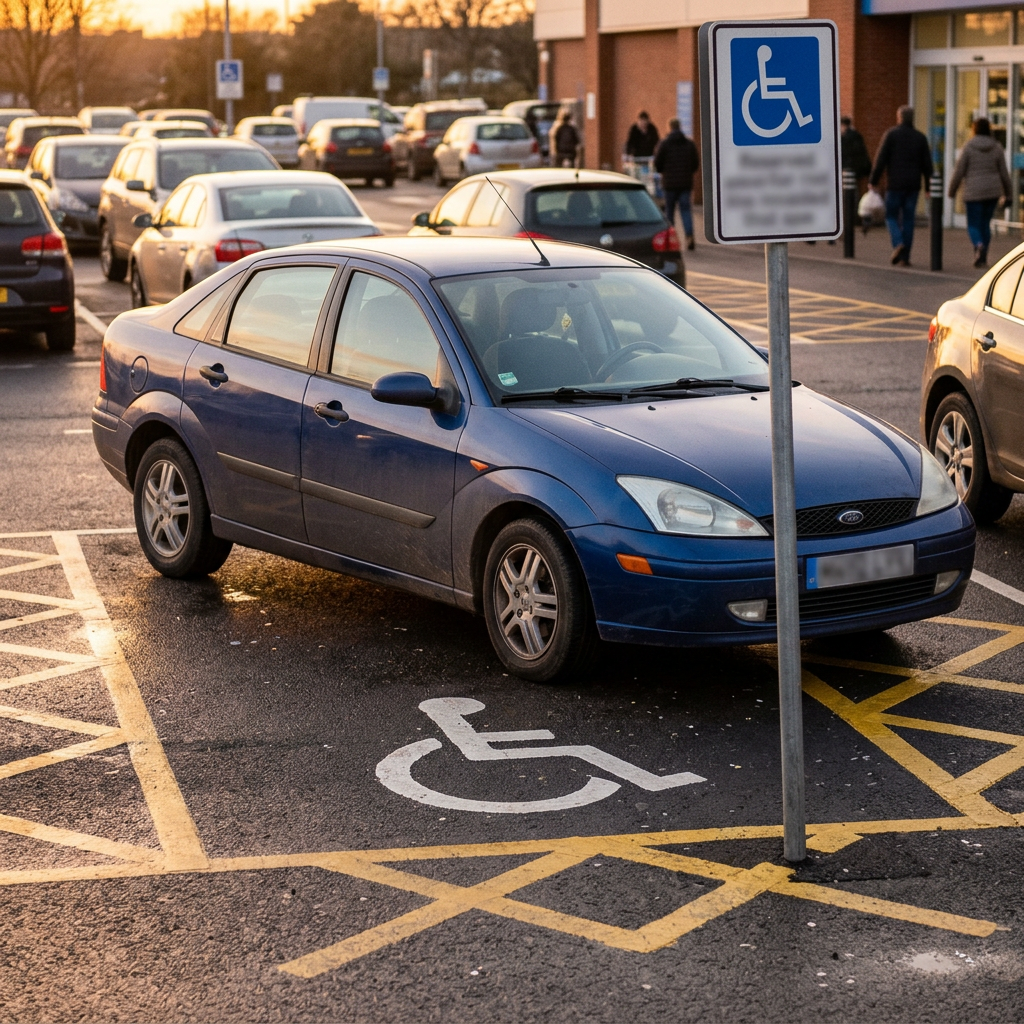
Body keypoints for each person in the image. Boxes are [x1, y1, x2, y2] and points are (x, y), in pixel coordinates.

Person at [869, 105, 933, 266]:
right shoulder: (920, 137)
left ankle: (898, 243)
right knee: (908, 219)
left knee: (890, 216)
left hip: (895, 184)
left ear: (899, 117)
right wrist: (928, 188)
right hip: (913, 185)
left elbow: (881, 159)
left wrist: (873, 180)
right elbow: (927, 165)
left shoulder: (891, 135)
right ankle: (905, 257)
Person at [948, 117, 1011, 268]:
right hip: (992, 192)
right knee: (985, 224)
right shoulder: (996, 147)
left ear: (974, 129)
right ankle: (983, 257)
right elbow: (1004, 173)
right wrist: (1008, 193)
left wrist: (952, 190)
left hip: (973, 193)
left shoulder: (968, 147)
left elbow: (959, 171)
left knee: (973, 224)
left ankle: (978, 245)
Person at [654, 117, 699, 249]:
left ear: (669, 128)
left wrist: (664, 172)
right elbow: (695, 164)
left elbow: (657, 164)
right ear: (680, 127)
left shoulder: (664, 144)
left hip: (669, 184)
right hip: (685, 183)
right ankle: (689, 237)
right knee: (686, 211)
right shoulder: (689, 144)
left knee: (670, 213)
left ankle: (670, 239)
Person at [841, 116, 872, 182]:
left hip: (849, 167)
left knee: (849, 189)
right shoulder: (855, 135)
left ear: (843, 125)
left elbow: (848, 151)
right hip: (856, 167)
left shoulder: (847, 137)